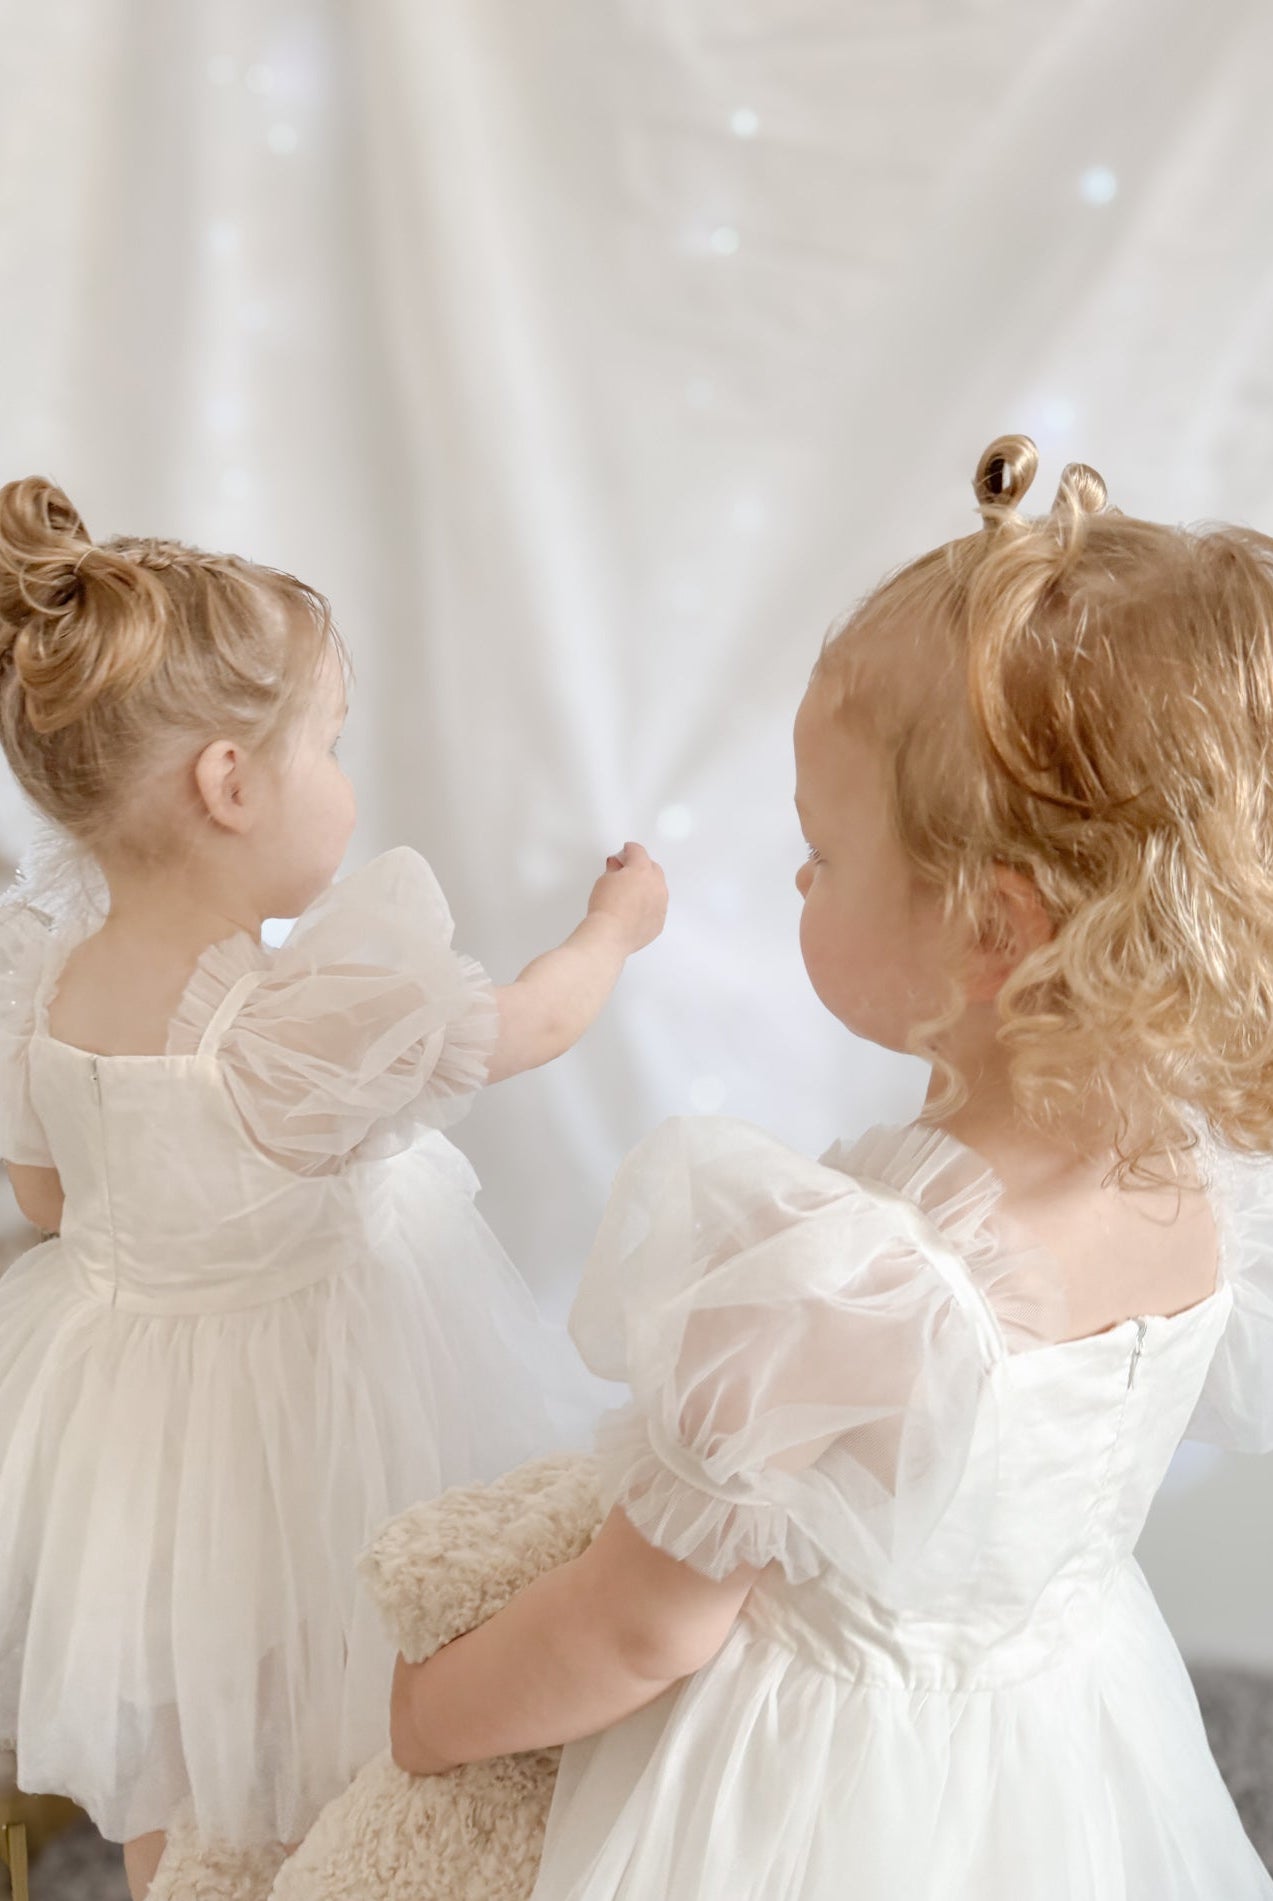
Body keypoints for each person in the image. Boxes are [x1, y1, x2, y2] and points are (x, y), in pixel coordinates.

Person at [389, 435, 1273, 1898]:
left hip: (819, 1797)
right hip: (1060, 1740)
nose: (798, 877)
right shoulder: (1193, 1193)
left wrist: (430, 1714)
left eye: (822, 850)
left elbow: (636, 1625)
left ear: (990, 931)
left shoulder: (853, 1283)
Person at [0, 475, 667, 1901]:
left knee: (177, 1700)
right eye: (331, 744)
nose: (346, 780)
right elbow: (527, 1024)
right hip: (325, 1393)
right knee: (345, 1676)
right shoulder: (295, 1016)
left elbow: (47, 1196)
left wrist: (176, 1227)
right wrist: (613, 928)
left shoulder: (39, 983)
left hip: (124, 1417)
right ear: (231, 783)